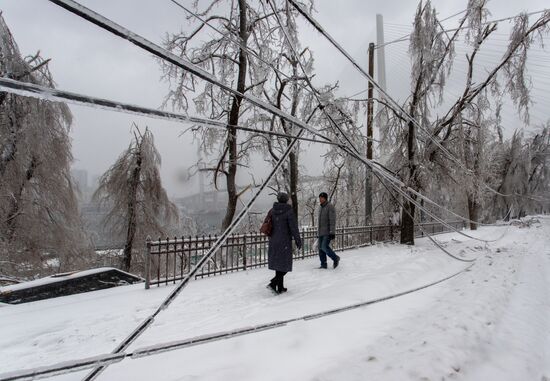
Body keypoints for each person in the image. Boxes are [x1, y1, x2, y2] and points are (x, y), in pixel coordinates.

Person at [267, 192, 302, 294]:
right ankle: (273, 283)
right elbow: (293, 228)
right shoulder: (288, 211)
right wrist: (298, 240)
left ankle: (280, 287)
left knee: (279, 264)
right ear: (286, 200)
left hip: (274, 240)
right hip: (284, 242)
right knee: (285, 265)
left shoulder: (272, 211)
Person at [317, 192, 340, 269]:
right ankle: (323, 264)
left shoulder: (330, 206)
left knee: (324, 247)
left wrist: (332, 232)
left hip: (327, 232)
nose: (320, 199)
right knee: (320, 249)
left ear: (325, 198)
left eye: (321, 198)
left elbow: (332, 220)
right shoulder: (321, 207)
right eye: (319, 198)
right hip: (321, 232)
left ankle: (335, 258)